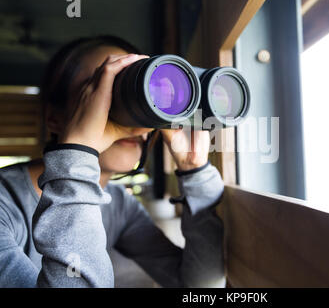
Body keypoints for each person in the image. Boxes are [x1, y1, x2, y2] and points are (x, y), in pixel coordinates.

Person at [0, 36, 225, 288]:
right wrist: (77, 151)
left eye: (137, 90)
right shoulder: (5, 206)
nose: (127, 113)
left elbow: (200, 286)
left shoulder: (117, 204)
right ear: (54, 118)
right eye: (100, 89)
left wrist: (195, 172)